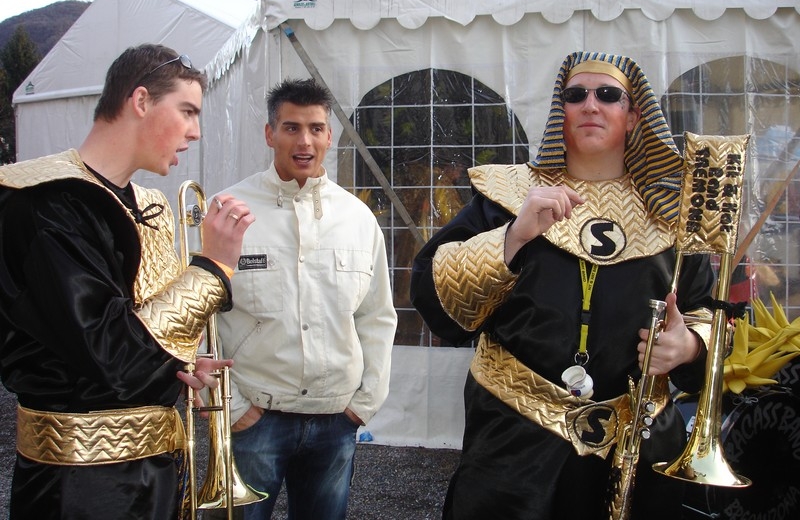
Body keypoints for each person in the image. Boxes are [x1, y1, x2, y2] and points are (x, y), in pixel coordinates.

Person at [410, 51, 716, 520]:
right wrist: (511, 239)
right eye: (577, 95)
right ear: (562, 110)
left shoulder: (673, 215)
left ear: (633, 115)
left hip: (636, 441)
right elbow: (435, 296)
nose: (591, 105)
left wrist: (691, 345)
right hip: (516, 438)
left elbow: (710, 311)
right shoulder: (507, 197)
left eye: (608, 95)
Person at [0, 43, 254, 520]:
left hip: (154, 473)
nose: (196, 131)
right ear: (140, 101)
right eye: (187, 111)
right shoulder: (45, 203)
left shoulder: (147, 203)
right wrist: (213, 268)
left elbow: (141, 334)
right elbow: (109, 350)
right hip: (80, 488)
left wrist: (175, 365)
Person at [214, 77, 398, 520]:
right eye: (292, 127)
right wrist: (231, 407)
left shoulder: (357, 218)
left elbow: (377, 316)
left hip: (335, 420)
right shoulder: (229, 210)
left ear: (330, 136)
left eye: (316, 128)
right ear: (269, 133)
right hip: (256, 416)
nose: (305, 140)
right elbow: (202, 319)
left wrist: (364, 402)